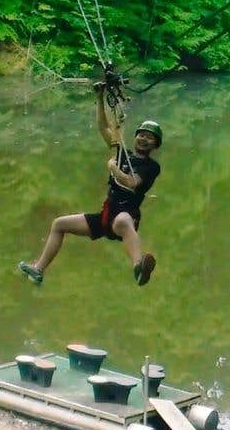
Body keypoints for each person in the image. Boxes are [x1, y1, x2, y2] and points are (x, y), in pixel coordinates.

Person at [19, 84, 162, 287]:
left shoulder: (150, 167)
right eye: (142, 134)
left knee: (122, 221)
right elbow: (103, 128)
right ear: (136, 136)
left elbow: (131, 182)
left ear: (155, 145)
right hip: (105, 216)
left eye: (150, 138)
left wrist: (113, 168)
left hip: (125, 215)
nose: (144, 139)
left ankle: (139, 266)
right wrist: (100, 97)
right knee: (59, 224)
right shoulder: (122, 153)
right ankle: (38, 269)